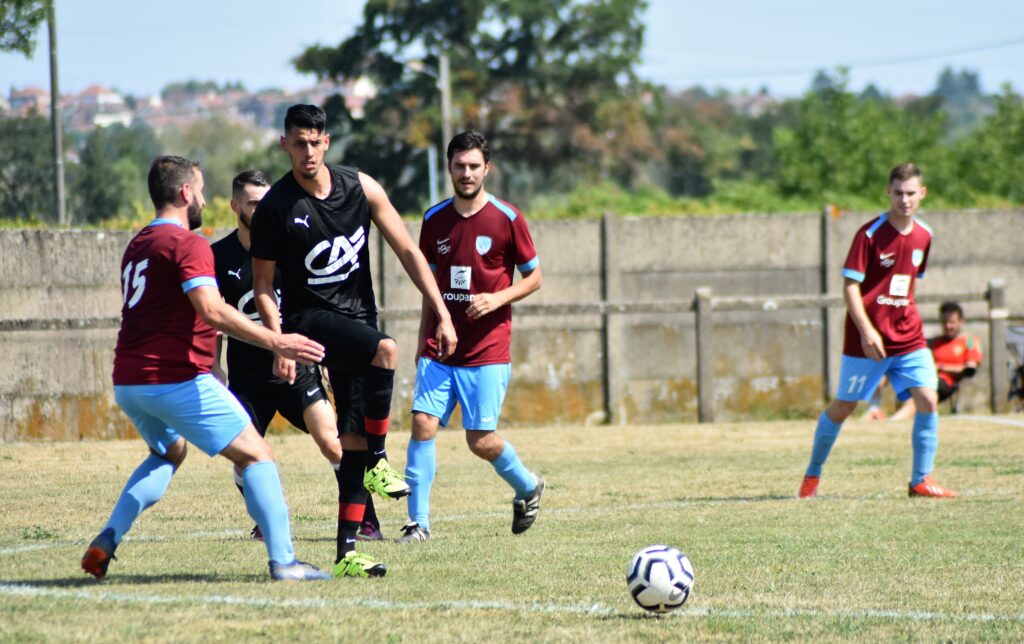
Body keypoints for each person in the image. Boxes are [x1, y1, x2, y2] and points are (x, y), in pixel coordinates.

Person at [82, 156, 332, 582]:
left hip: (128, 380)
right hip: (175, 376)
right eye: (199, 190)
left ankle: (107, 538)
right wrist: (277, 340)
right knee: (258, 455)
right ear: (184, 193)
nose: (203, 199)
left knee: (169, 451)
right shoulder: (190, 243)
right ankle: (285, 562)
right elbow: (212, 310)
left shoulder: (138, 244)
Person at [250, 104, 458, 577]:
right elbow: (263, 287)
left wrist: (443, 312)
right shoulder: (275, 208)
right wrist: (278, 339)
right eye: (298, 142)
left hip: (358, 316)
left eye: (315, 141)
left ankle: (347, 553)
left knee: (353, 438)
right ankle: (383, 463)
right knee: (386, 349)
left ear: (327, 142)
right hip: (309, 318)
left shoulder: (360, 187)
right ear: (285, 144)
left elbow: (408, 249)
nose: (307, 151)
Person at [211, 170, 381, 543]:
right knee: (247, 456)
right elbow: (212, 317)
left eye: (267, 202)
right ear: (235, 206)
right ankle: (266, 518)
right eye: (254, 203)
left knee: (333, 441)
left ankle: (366, 521)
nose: (263, 209)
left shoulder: (291, 246)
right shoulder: (218, 256)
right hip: (248, 375)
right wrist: (214, 366)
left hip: (296, 367)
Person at [397, 131, 545, 544]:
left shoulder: (507, 218)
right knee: (423, 425)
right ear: (449, 168)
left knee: (480, 441)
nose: (466, 173)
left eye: (474, 166)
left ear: (487, 169)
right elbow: (429, 283)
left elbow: (535, 278)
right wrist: (421, 337)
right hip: (438, 348)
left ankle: (528, 486)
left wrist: (497, 298)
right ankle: (417, 523)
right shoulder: (434, 218)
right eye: (459, 166)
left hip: (487, 350)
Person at [798, 163, 957, 499]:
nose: (905, 200)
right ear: (888, 192)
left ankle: (920, 481)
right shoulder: (869, 235)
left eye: (911, 193)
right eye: (898, 193)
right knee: (844, 406)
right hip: (867, 341)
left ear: (922, 194)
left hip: (909, 337)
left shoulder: (925, 235)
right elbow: (850, 287)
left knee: (928, 398)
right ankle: (812, 476)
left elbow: (908, 286)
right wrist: (868, 331)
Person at [887, 301, 983, 420]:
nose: (948, 326)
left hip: (945, 382)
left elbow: (970, 369)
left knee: (921, 393)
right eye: (944, 322)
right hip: (923, 377)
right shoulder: (934, 342)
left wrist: (940, 367)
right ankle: (874, 408)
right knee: (887, 369)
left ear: (961, 322)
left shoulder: (969, 341)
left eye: (952, 322)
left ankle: (894, 421)